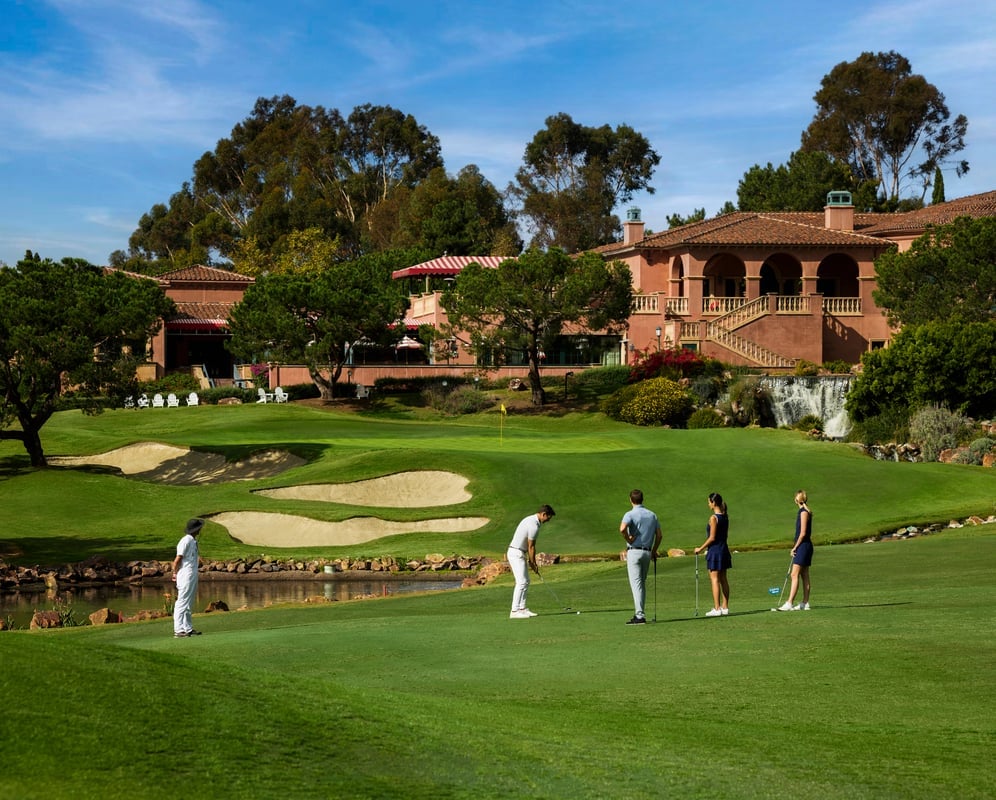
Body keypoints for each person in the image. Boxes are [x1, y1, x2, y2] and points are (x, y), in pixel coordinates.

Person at [619, 489, 662, 625]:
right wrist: (654, 551)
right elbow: (659, 535)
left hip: (634, 551)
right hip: (647, 552)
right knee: (641, 584)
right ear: (642, 499)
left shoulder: (630, 514)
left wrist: (628, 538)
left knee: (636, 584)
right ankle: (639, 613)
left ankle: (639, 616)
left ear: (631, 500)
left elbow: (622, 529)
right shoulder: (652, 515)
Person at [507, 504, 556, 619]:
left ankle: (522, 609)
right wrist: (533, 563)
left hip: (518, 552)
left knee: (526, 581)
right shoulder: (533, 525)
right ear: (544, 514)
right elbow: (531, 547)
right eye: (548, 518)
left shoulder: (530, 519)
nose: (548, 520)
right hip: (516, 553)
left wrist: (531, 562)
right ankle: (514, 611)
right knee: (521, 582)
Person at [694, 492, 732, 617]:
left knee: (715, 579)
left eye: (709, 502)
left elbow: (712, 538)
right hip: (724, 549)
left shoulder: (713, 518)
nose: (708, 504)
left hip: (715, 551)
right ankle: (725, 607)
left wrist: (700, 548)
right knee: (723, 579)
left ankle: (717, 608)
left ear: (713, 502)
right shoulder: (725, 516)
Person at [778, 490, 813, 611]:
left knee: (794, 574)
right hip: (806, 546)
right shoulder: (806, 511)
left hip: (803, 546)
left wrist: (795, 547)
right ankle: (805, 603)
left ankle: (789, 603)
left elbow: (802, 533)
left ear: (796, 500)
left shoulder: (803, 512)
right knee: (804, 574)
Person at [172, 518, 204, 637]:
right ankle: (178, 629)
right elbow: (177, 560)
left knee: (189, 602)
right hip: (186, 574)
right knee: (182, 601)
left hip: (192, 574)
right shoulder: (185, 541)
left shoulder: (193, 541)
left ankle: (188, 628)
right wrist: (175, 574)